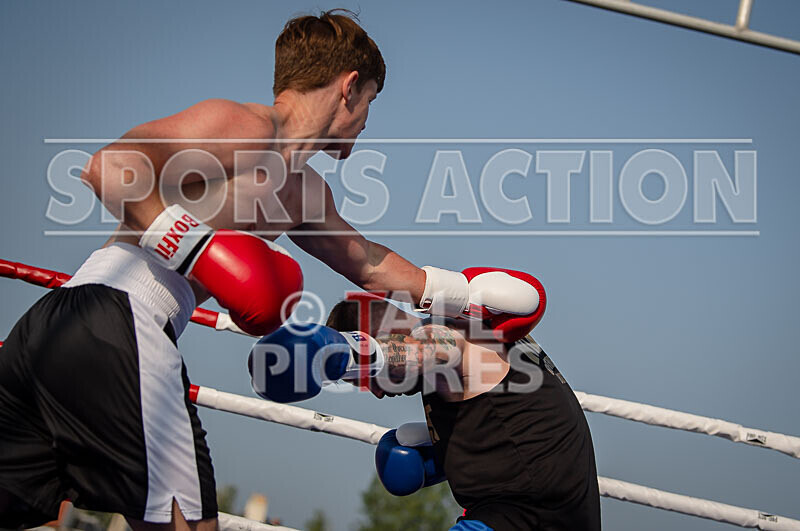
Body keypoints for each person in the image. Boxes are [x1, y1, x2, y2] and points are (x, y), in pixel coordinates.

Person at [0, 10, 544, 530]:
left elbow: (369, 265)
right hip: (120, 318)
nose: (368, 122)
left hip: (51, 331)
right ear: (349, 87)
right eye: (371, 101)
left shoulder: (301, 191)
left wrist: (461, 295)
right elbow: (111, 167)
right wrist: (198, 251)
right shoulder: (245, 127)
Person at [252, 296, 601, 530]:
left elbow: (423, 351)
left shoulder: (445, 336)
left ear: (380, 336)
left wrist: (334, 354)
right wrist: (437, 459)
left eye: (367, 381)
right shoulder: (480, 333)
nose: (374, 393)